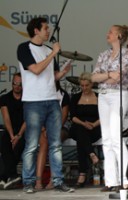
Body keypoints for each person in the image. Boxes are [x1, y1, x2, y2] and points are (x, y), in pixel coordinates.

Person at [17, 17, 74, 193]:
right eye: (45, 28)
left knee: (55, 144)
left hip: (52, 100)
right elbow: (35, 70)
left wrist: (62, 72)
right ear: (36, 31)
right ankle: (28, 181)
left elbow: (53, 76)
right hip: (34, 102)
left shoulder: (49, 49)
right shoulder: (24, 48)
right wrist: (53, 54)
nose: (48, 31)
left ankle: (58, 181)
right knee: (32, 144)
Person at [91, 24, 128, 192]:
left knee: (116, 137)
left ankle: (126, 178)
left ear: (119, 36)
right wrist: (108, 75)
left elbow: (118, 79)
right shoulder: (104, 54)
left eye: (111, 32)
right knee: (106, 138)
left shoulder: (127, 55)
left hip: (118, 95)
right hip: (103, 95)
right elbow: (94, 77)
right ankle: (111, 180)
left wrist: (105, 77)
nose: (107, 34)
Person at [35, 81, 71, 190]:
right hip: (44, 128)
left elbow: (63, 117)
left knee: (53, 142)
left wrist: (51, 129)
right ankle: (38, 181)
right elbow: (38, 114)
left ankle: (53, 179)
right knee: (43, 145)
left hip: (60, 127)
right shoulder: (41, 94)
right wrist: (43, 128)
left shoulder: (63, 94)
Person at [69, 72, 101, 188]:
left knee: (81, 139)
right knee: (80, 129)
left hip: (95, 127)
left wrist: (93, 124)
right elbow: (73, 117)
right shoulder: (76, 97)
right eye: (82, 86)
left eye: (86, 85)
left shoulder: (99, 96)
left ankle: (82, 173)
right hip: (79, 125)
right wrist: (84, 123)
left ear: (91, 84)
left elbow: (104, 115)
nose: (84, 88)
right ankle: (91, 154)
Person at [0, 73, 25, 190]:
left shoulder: (28, 98)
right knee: (4, 143)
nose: (17, 86)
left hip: (23, 131)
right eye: (15, 83)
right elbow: (6, 119)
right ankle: (12, 176)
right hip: (10, 130)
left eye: (20, 84)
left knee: (18, 146)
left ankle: (3, 177)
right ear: (12, 83)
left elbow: (28, 119)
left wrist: (18, 135)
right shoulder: (5, 98)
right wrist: (11, 136)